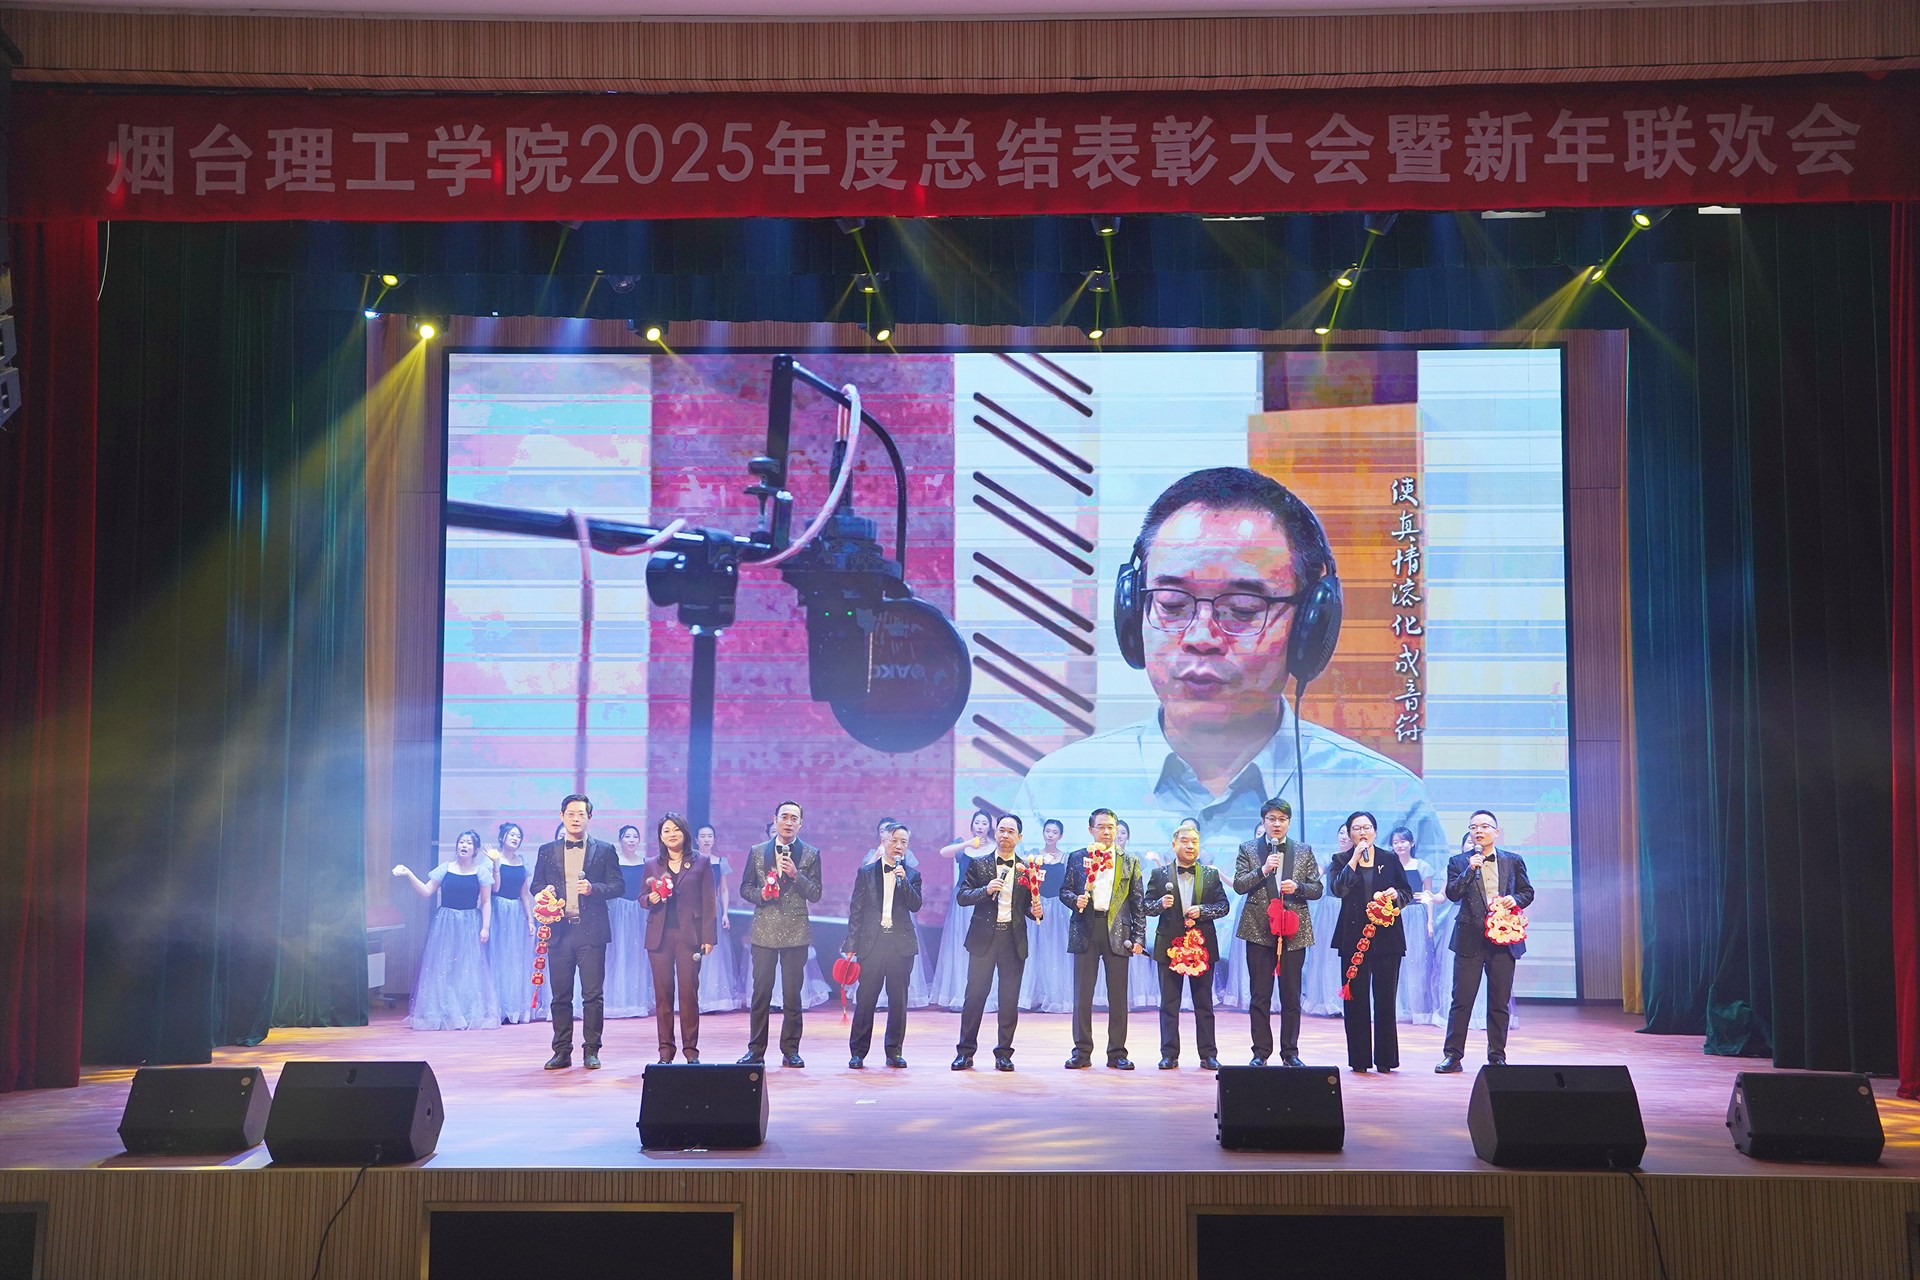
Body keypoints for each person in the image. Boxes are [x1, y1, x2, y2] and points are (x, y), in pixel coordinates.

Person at [1009, 467, 1447, 854]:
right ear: (1132, 611)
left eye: (1242, 609)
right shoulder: (1056, 793)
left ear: (1309, 624)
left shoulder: (1387, 803)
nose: (1201, 638)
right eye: (1172, 604)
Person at [1436, 810, 1537, 1073]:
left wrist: (1514, 899)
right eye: (1473, 827)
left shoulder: (1513, 861)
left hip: (1504, 938)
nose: (1478, 831)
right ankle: (1452, 1056)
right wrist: (1470, 869)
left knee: (1499, 1001)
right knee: (1462, 1000)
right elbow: (1453, 893)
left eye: (1484, 826)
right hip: (1469, 938)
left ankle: (1497, 1056)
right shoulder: (1458, 862)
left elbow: (1527, 892)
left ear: (1496, 831)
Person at [951, 813, 1047, 1071]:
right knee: (975, 997)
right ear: (995, 833)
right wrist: (985, 890)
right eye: (1001, 830)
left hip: (1012, 941)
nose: (1005, 835)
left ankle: (1004, 1054)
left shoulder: (1027, 869)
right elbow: (962, 896)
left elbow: (1028, 907)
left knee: (1009, 1000)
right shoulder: (978, 864)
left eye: (1011, 831)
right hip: (983, 938)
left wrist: (1036, 911)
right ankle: (965, 1052)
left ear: (1019, 837)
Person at [532, 794, 622, 1068]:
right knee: (561, 995)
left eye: (581, 814)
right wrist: (544, 892)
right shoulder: (546, 850)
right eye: (570, 813)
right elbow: (535, 885)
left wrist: (594, 888)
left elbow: (618, 886)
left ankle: (591, 1050)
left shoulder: (605, 850)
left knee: (592, 995)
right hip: (559, 932)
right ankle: (562, 1051)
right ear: (561, 816)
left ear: (589, 818)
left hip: (591, 931)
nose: (575, 818)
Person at [1234, 797, 1321, 1066]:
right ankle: (1260, 1052)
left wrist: (1298, 887)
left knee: (1291, 995)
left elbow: (1317, 888)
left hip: (1293, 932)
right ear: (1263, 822)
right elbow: (1239, 885)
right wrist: (1262, 870)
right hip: (1259, 930)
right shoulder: (1248, 849)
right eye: (1271, 819)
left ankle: (1290, 1052)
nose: (1277, 824)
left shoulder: (1303, 850)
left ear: (1289, 823)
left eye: (1282, 819)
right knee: (1260, 995)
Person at [1060, 807, 1147, 1070]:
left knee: (1118, 997)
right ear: (1091, 830)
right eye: (1101, 827)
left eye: (1111, 827)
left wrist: (1139, 936)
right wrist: (1075, 900)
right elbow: (1064, 891)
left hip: (1119, 932)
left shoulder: (1129, 860)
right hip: (1086, 928)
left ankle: (1117, 1053)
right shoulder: (1077, 857)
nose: (1107, 832)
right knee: (1082, 995)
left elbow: (1137, 902)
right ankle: (1081, 1052)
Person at [737, 800, 823, 1068]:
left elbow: (816, 893)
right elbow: (745, 887)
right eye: (784, 817)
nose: (789, 822)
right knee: (761, 992)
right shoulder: (757, 851)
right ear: (775, 820)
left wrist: (796, 875)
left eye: (794, 818)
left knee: (792, 994)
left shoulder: (810, 853)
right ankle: (756, 1050)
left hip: (796, 931)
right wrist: (760, 895)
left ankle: (791, 1050)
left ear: (801, 824)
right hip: (764, 929)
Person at [1328, 810, 1413, 1074]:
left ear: (1375, 832)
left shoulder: (1389, 858)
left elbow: (1407, 891)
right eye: (1356, 828)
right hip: (1353, 937)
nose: (1362, 832)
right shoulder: (1340, 859)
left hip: (1387, 937)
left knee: (1385, 999)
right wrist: (1354, 859)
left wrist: (1396, 895)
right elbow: (1337, 889)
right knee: (1356, 1000)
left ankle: (1386, 1059)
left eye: (1366, 827)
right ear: (1349, 833)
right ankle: (1359, 1059)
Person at [393, 829, 501, 1031]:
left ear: (475, 849)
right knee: (443, 966)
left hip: (470, 922)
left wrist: (485, 928)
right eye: (462, 842)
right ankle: (444, 1012)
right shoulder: (445, 868)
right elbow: (426, 891)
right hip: (446, 923)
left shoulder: (481, 871)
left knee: (469, 967)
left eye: (469, 843)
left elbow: (486, 902)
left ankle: (467, 1012)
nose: (464, 845)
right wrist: (408, 873)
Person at [1146, 819, 1229, 1070]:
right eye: (1184, 841)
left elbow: (1223, 906)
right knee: (1169, 1004)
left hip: (1202, 949)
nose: (1190, 846)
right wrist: (1160, 904)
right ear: (1174, 845)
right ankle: (1169, 1054)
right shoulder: (1159, 874)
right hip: (1169, 947)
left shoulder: (1210, 874)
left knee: (1204, 1004)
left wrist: (1203, 910)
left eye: (1194, 842)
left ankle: (1208, 1054)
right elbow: (1146, 906)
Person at [844, 821, 924, 1069]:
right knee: (866, 999)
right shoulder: (866, 872)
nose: (898, 846)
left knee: (898, 1001)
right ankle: (858, 1052)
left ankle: (894, 1052)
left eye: (903, 842)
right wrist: (851, 944)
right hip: (872, 943)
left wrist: (904, 881)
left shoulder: (912, 875)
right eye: (894, 840)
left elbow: (915, 905)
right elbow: (856, 910)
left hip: (900, 945)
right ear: (884, 841)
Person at [643, 812, 715, 1064]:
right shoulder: (652, 864)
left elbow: (709, 901)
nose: (671, 834)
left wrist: (708, 937)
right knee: (663, 995)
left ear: (684, 833)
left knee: (688, 993)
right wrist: (649, 898)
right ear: (660, 837)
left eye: (676, 830)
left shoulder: (701, 862)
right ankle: (665, 1052)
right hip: (659, 937)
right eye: (666, 831)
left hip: (690, 937)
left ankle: (691, 1051)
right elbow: (641, 897)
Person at [929, 809, 995, 1009]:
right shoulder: (963, 846)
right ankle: (959, 995)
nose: (980, 827)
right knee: (960, 945)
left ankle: (985, 996)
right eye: (977, 823)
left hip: (985, 901)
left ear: (990, 827)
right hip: (963, 902)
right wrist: (968, 844)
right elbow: (944, 853)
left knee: (984, 946)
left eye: (984, 823)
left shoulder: (995, 847)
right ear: (972, 825)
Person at [487, 821, 544, 1024]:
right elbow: (494, 888)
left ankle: (514, 1008)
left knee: (514, 958)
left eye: (518, 836)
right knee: (496, 957)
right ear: (502, 837)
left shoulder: (522, 861)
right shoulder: (492, 859)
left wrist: (530, 919)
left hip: (516, 913)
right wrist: (495, 864)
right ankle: (496, 1008)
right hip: (497, 910)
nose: (515, 838)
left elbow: (524, 893)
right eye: (511, 834)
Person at [1389, 823, 1440, 1025]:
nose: (1399, 845)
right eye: (1395, 842)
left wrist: (1430, 921)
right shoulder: (1389, 865)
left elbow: (1428, 896)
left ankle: (1417, 1009)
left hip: (1416, 916)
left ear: (1411, 843)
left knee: (1416, 961)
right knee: (1396, 962)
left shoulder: (1421, 866)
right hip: (1394, 915)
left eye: (1403, 841)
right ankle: (1397, 1007)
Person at [605, 824, 652, 1021]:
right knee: (617, 952)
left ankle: (636, 1001)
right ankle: (614, 1001)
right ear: (620, 840)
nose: (631, 840)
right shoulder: (614, 862)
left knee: (637, 954)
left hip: (639, 912)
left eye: (635, 836)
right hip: (618, 910)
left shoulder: (646, 863)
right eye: (627, 836)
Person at [695, 823, 741, 1013]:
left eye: (709, 836)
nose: (706, 839)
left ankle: (711, 999)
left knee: (713, 953)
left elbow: (724, 890)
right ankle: (693, 997)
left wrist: (725, 913)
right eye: (703, 836)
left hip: (713, 908)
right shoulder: (689, 861)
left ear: (714, 840)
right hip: (693, 909)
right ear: (696, 840)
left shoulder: (720, 862)